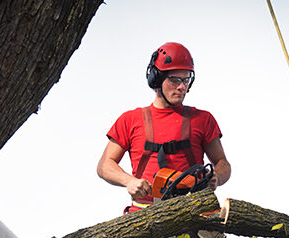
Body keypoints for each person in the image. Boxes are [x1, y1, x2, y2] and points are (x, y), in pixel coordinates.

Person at [97, 42, 231, 212]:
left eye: (186, 79)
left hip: (194, 211)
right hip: (145, 213)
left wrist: (217, 177)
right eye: (175, 80)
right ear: (157, 79)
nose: (182, 86)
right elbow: (104, 166)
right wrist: (129, 181)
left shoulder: (203, 119)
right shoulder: (130, 120)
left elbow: (223, 163)